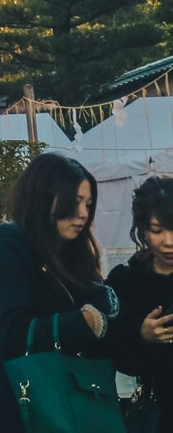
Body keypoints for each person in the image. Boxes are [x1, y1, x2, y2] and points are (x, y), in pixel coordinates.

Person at [0, 150, 118, 433]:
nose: (82, 214)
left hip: (65, 409)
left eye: (88, 204)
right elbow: (11, 332)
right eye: (73, 202)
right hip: (10, 410)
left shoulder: (72, 256)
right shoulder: (6, 254)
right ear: (42, 199)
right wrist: (79, 323)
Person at [109, 174, 173, 430]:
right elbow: (115, 355)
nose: (169, 241)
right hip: (159, 413)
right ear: (142, 230)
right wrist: (141, 335)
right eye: (158, 230)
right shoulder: (127, 280)